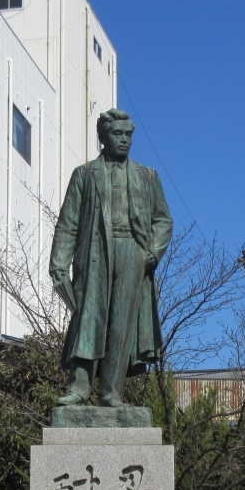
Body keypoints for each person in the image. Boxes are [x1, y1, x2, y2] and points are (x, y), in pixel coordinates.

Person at [49, 109, 173, 407]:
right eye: (118, 134)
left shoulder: (148, 176)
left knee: (121, 323)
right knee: (88, 318)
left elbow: (163, 220)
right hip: (94, 253)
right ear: (103, 136)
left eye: (128, 135)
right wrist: (59, 264)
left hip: (132, 252)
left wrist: (152, 252)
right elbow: (68, 223)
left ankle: (111, 391)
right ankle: (79, 388)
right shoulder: (84, 174)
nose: (124, 140)